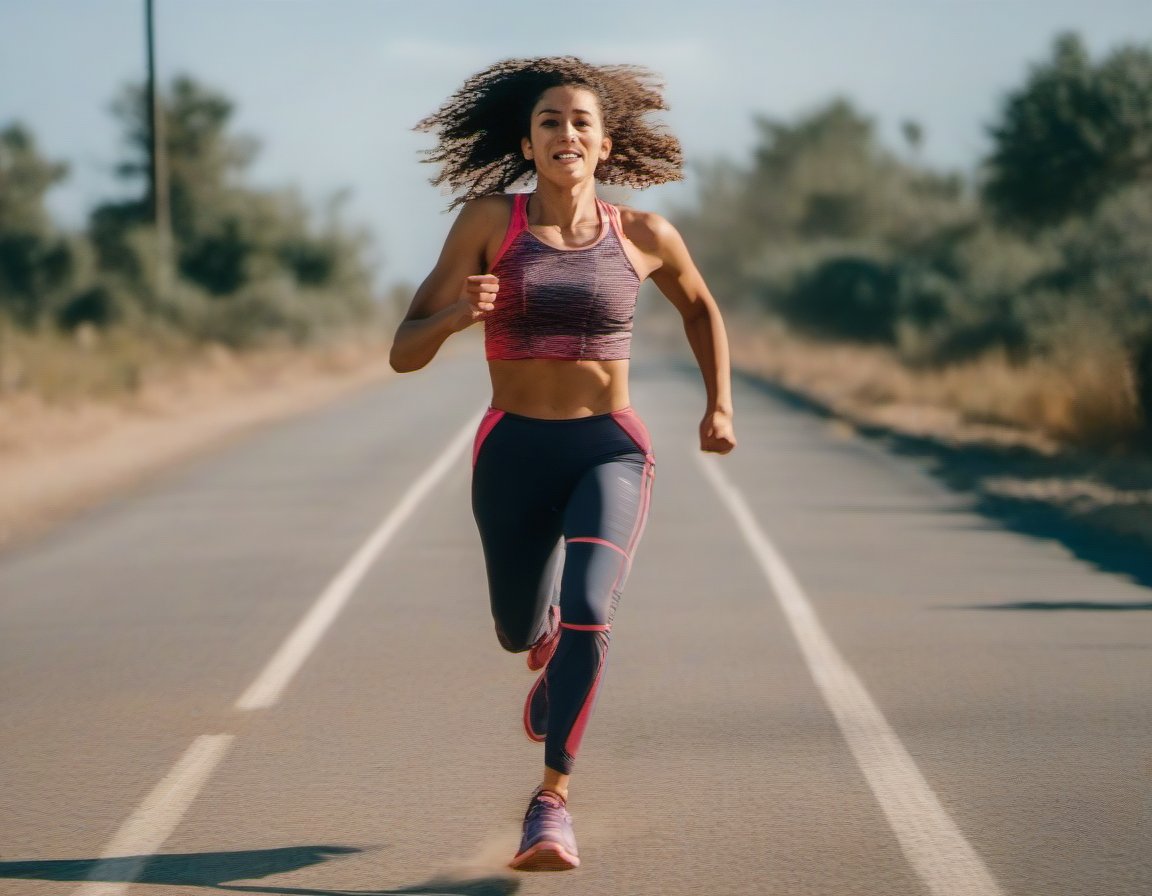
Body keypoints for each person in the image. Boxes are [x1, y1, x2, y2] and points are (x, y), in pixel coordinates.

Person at [389, 56, 736, 872]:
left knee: (591, 608)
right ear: (529, 142)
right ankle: (544, 646)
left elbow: (701, 307)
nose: (566, 133)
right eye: (551, 122)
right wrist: (452, 316)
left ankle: (550, 804)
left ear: (605, 144)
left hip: (608, 448)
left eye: (581, 121)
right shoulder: (487, 222)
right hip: (512, 449)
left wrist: (718, 404)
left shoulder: (644, 235)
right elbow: (403, 351)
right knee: (520, 628)